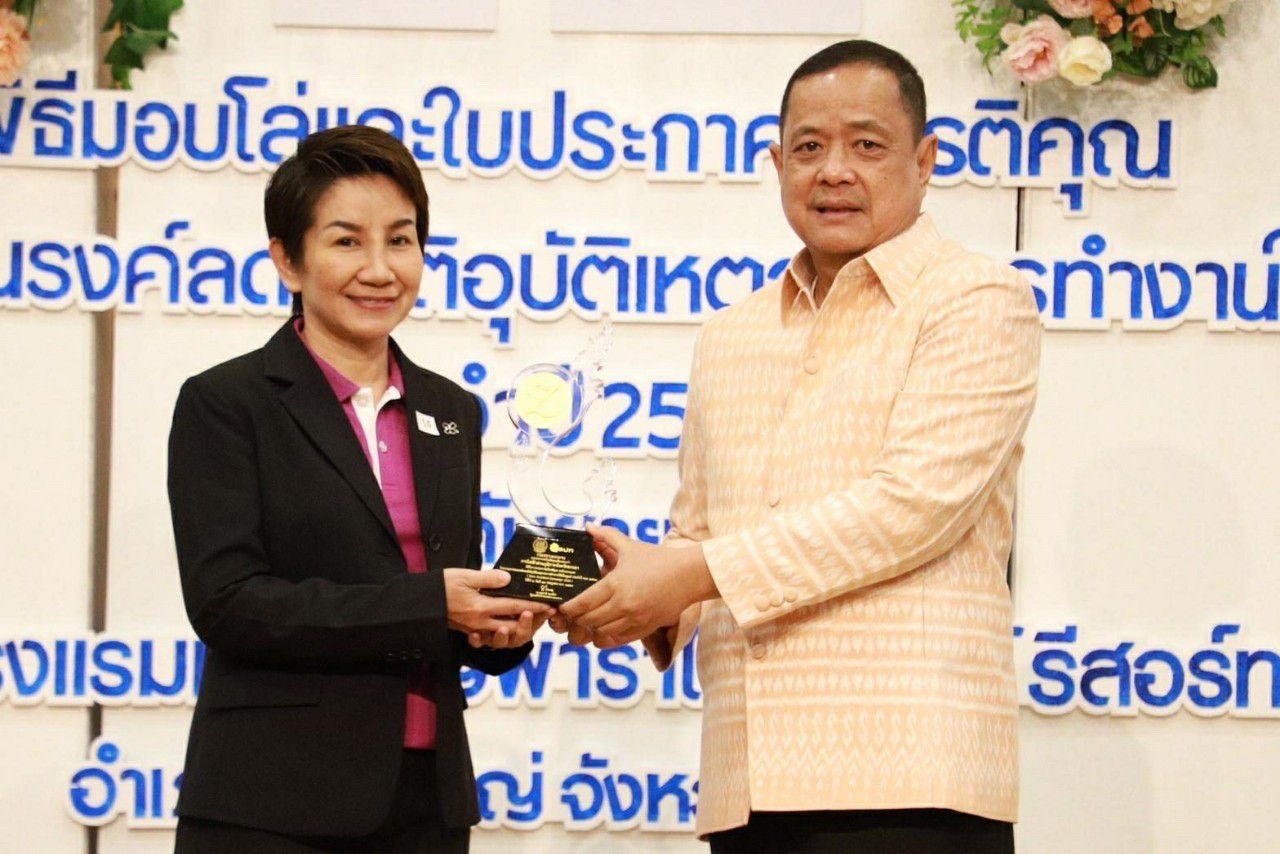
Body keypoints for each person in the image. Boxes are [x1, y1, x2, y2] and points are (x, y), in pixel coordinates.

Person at [557, 40, 1041, 853]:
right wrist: (629, 595)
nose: (834, 171)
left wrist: (687, 575)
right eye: (810, 147)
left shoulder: (975, 298)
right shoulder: (731, 333)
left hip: (910, 777)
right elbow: (698, 530)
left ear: (925, 161)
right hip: (749, 784)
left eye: (867, 145)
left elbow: (911, 507)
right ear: (779, 163)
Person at [167, 125, 550, 853]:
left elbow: (445, 592)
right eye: (347, 241)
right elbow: (228, 602)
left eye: (400, 240)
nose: (380, 269)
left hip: (426, 802)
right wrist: (431, 603)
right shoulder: (227, 403)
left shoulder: (450, 409)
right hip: (272, 802)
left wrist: (497, 629)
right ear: (288, 259)